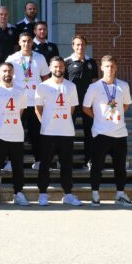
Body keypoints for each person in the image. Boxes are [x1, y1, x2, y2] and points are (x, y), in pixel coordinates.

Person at [83, 55, 132, 207]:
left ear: (116, 68)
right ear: (101, 68)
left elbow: (125, 105)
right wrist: (99, 117)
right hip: (101, 132)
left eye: (112, 66)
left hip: (119, 133)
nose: (110, 69)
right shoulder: (94, 87)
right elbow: (85, 108)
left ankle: (120, 194)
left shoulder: (123, 86)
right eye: (107, 66)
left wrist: (115, 117)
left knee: (120, 167)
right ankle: (95, 194)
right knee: (97, 165)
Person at [35, 57, 82, 206]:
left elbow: (72, 108)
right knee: (45, 165)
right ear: (50, 68)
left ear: (64, 68)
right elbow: (38, 108)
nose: (58, 69)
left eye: (61, 66)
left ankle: (67, 194)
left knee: (66, 165)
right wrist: (46, 122)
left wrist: (62, 120)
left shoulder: (71, 86)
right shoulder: (42, 86)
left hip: (66, 132)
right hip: (48, 132)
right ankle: (42, 193)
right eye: (55, 66)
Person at [0, 63, 30, 206]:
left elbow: (21, 111)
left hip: (16, 135)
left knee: (18, 167)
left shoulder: (20, 91)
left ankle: (18, 193)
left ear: (13, 72)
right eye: (4, 71)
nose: (7, 73)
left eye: (9, 71)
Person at [7, 32, 50, 170]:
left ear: (33, 42)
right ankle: (10, 162)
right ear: (19, 42)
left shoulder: (40, 58)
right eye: (23, 41)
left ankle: (39, 161)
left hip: (35, 102)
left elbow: (46, 79)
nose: (26, 44)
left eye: (29, 41)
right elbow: (7, 80)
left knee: (36, 134)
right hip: (18, 103)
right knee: (14, 132)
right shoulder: (12, 59)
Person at [65, 34, 98, 168]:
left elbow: (95, 83)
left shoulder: (92, 62)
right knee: (68, 132)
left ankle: (88, 160)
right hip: (70, 103)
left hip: (87, 103)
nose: (80, 47)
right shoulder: (66, 62)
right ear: (73, 46)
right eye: (77, 44)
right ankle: (66, 161)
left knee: (89, 132)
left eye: (83, 44)